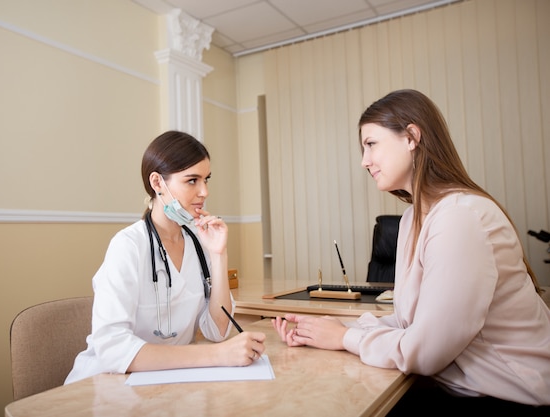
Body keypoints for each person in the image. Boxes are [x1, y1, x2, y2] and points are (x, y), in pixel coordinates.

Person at [272, 89, 550, 413]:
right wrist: (329, 328)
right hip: (463, 385)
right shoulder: (412, 219)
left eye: (371, 144)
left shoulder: (460, 217)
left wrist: (344, 339)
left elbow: (427, 351)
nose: (364, 161)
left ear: (411, 137)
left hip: (512, 395)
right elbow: (411, 324)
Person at [65, 130, 265, 384]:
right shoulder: (127, 246)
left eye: (206, 179)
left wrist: (218, 255)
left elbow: (218, 331)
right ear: (158, 183)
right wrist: (214, 355)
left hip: (168, 383)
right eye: (192, 180)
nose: (204, 191)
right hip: (106, 385)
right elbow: (112, 350)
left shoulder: (198, 244)